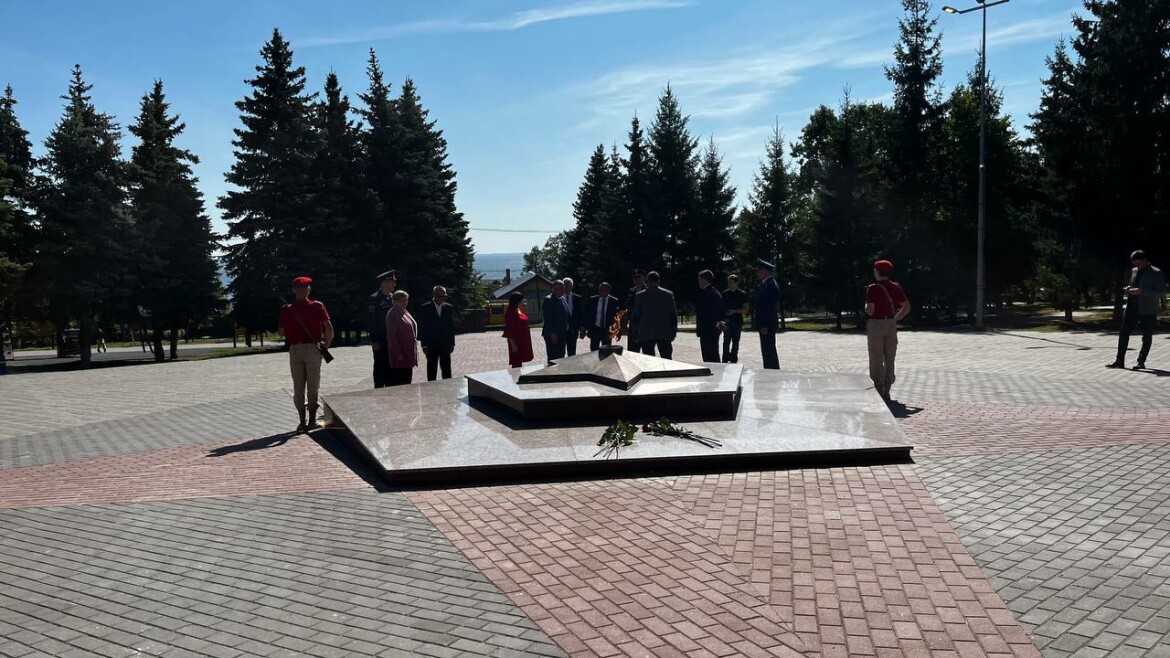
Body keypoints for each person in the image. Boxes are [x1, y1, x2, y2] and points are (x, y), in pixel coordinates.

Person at [278, 276, 334, 432]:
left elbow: (281, 332)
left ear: (294, 290)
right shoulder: (317, 306)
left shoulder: (286, 309)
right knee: (313, 385)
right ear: (309, 290)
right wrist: (325, 346)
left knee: (298, 385)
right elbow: (328, 329)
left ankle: (301, 421)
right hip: (312, 349)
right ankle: (312, 420)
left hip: (295, 349)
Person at [1108, 250, 1167, 370]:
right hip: (1132, 306)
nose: (1137, 266)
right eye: (1134, 264)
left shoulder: (1156, 273)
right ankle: (1119, 361)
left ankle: (1141, 361)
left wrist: (1142, 291)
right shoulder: (1134, 271)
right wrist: (1129, 288)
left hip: (1147, 309)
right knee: (1124, 333)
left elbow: (1161, 292)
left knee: (1146, 336)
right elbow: (1133, 284)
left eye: (1138, 263)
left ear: (1145, 260)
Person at [865, 260, 911, 403]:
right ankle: (887, 391)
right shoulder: (895, 286)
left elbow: (870, 310)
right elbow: (907, 307)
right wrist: (894, 319)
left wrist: (865, 306)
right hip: (890, 324)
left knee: (876, 357)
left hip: (876, 325)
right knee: (890, 357)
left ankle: (879, 389)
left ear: (877, 272)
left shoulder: (873, 288)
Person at [631, 271, 678, 359]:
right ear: (659, 281)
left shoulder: (640, 296)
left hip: (646, 332)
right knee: (667, 359)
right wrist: (674, 332)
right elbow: (673, 315)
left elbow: (636, 316)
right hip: (664, 332)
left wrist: (634, 332)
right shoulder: (668, 294)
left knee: (649, 360)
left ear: (647, 281)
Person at [417, 285, 456, 381]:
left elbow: (451, 327)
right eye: (440, 296)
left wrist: (452, 343)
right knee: (431, 370)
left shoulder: (448, 308)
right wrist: (424, 344)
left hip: (445, 344)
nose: (442, 298)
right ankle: (431, 387)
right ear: (434, 295)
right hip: (431, 345)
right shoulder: (425, 307)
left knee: (446, 370)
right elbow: (423, 327)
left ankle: (448, 386)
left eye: (444, 296)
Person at [366, 270, 397, 388]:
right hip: (380, 340)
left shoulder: (392, 298)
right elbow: (371, 321)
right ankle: (379, 391)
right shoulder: (374, 298)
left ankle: (389, 389)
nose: (394, 284)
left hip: (391, 340)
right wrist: (374, 340)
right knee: (379, 367)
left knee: (390, 367)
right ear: (384, 283)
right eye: (392, 282)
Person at [384, 290, 418, 386]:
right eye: (402, 300)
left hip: (408, 354)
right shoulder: (392, 314)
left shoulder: (404, 311)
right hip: (400, 356)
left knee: (407, 381)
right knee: (400, 383)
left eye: (406, 300)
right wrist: (397, 353)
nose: (405, 302)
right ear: (394, 301)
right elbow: (391, 336)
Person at [755, 259, 781, 369]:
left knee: (769, 351)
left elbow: (770, 308)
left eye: (759, 270)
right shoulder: (766, 284)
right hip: (766, 324)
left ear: (765, 271)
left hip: (767, 325)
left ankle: (772, 372)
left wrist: (765, 325)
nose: (758, 272)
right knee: (767, 351)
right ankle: (770, 370)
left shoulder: (770, 285)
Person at [696, 269, 723, 363]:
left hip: (709, 330)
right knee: (710, 355)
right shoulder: (711, 292)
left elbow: (713, 313)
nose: (698, 282)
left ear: (704, 280)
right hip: (709, 330)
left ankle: (715, 371)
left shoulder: (710, 293)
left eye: (699, 280)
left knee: (710, 356)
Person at [585, 282, 620, 352]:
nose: (600, 291)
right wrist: (586, 327)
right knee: (594, 350)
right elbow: (588, 314)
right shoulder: (593, 300)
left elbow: (617, 316)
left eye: (603, 290)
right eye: (600, 289)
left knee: (606, 351)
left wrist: (617, 331)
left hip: (607, 330)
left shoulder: (614, 301)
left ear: (608, 290)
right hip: (595, 329)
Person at [541, 280, 571, 363]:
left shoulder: (562, 298)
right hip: (553, 335)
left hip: (562, 333)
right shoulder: (549, 300)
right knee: (553, 358)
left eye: (563, 287)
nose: (563, 290)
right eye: (561, 288)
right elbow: (548, 318)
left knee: (561, 356)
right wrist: (552, 333)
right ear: (554, 289)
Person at [503, 292, 535, 368]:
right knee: (516, 361)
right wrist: (513, 344)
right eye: (521, 300)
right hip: (516, 341)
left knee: (520, 361)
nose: (523, 302)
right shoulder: (510, 312)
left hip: (523, 339)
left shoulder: (518, 310)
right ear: (517, 301)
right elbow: (509, 329)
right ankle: (515, 375)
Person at [721, 275, 748, 363]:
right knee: (726, 341)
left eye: (731, 282)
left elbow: (745, 309)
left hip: (737, 321)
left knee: (735, 342)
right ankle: (725, 359)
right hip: (727, 321)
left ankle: (733, 359)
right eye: (728, 283)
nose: (730, 284)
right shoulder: (724, 294)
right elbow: (721, 308)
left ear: (736, 283)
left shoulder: (742, 294)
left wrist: (734, 311)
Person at [620, 269, 647, 353]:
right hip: (633, 325)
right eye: (634, 278)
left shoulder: (648, 290)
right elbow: (627, 309)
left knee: (647, 352)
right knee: (632, 351)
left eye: (638, 278)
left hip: (646, 326)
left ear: (643, 278)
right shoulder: (631, 291)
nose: (636, 280)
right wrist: (624, 325)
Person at [562, 277, 584, 356]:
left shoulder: (577, 298)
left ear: (572, 286)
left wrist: (582, 328)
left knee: (572, 353)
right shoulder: (559, 298)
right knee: (560, 353)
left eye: (568, 285)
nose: (566, 287)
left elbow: (580, 314)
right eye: (564, 285)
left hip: (573, 330)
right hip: (561, 330)